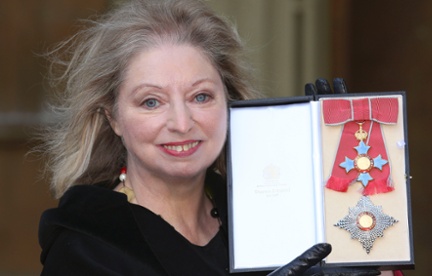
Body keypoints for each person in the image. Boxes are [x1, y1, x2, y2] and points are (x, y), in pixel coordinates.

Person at [37, 0, 395, 275]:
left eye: (201, 96)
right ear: (112, 117)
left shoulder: (270, 215)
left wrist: (348, 189)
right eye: (151, 101)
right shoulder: (86, 248)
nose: (181, 122)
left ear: (230, 101)